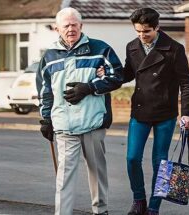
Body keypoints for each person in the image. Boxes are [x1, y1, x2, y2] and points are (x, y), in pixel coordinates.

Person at [97, 7, 189, 215]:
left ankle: (153, 207)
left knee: (160, 163)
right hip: (140, 110)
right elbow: (128, 74)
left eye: (146, 32)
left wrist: (187, 112)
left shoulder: (174, 49)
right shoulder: (132, 47)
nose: (142, 36)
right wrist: (109, 74)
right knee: (132, 158)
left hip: (165, 113)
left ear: (157, 27)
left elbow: (186, 82)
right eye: (138, 31)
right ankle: (139, 199)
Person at [36, 7, 123, 215]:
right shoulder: (49, 57)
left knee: (97, 173)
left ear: (81, 26)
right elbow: (45, 92)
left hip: (92, 123)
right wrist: (46, 120)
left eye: (75, 24)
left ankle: (101, 211)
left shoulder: (100, 49)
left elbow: (117, 76)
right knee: (64, 177)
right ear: (57, 29)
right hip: (64, 126)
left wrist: (90, 87)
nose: (71, 29)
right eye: (66, 25)